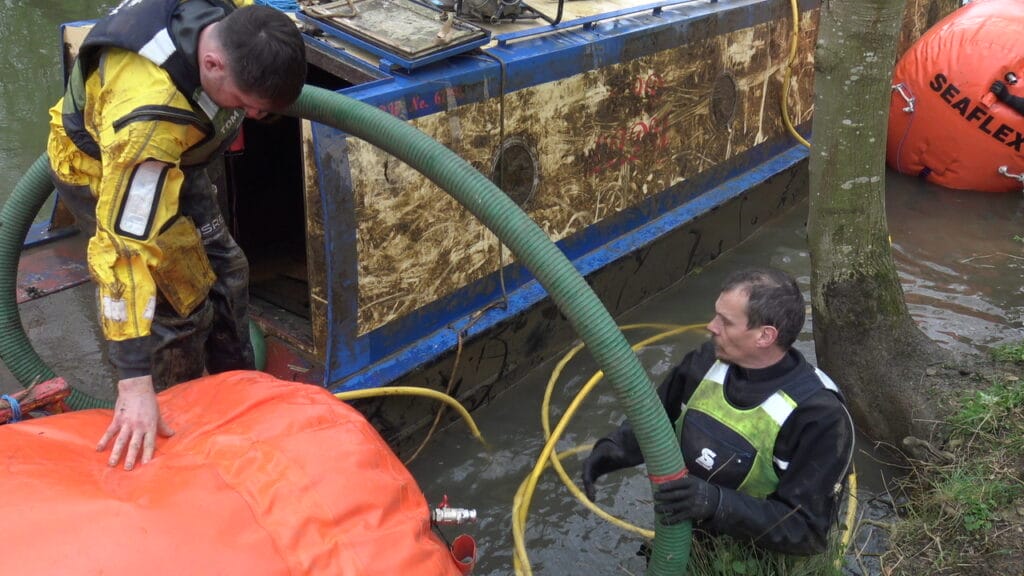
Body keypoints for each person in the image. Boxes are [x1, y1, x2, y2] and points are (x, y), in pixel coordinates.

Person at [46, 0, 306, 471]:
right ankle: (173, 437)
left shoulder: (225, 13)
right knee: (182, 307)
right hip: (113, 173)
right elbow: (123, 250)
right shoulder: (147, 121)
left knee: (228, 270)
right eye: (246, 102)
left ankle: (238, 398)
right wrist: (133, 381)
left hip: (181, 162)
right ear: (212, 63)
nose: (249, 115)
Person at [581, 267, 854, 555]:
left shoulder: (819, 416)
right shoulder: (704, 362)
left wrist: (716, 503)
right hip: (685, 535)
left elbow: (806, 532)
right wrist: (610, 452)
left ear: (765, 336)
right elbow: (656, 422)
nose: (711, 326)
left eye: (725, 322)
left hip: (762, 560)